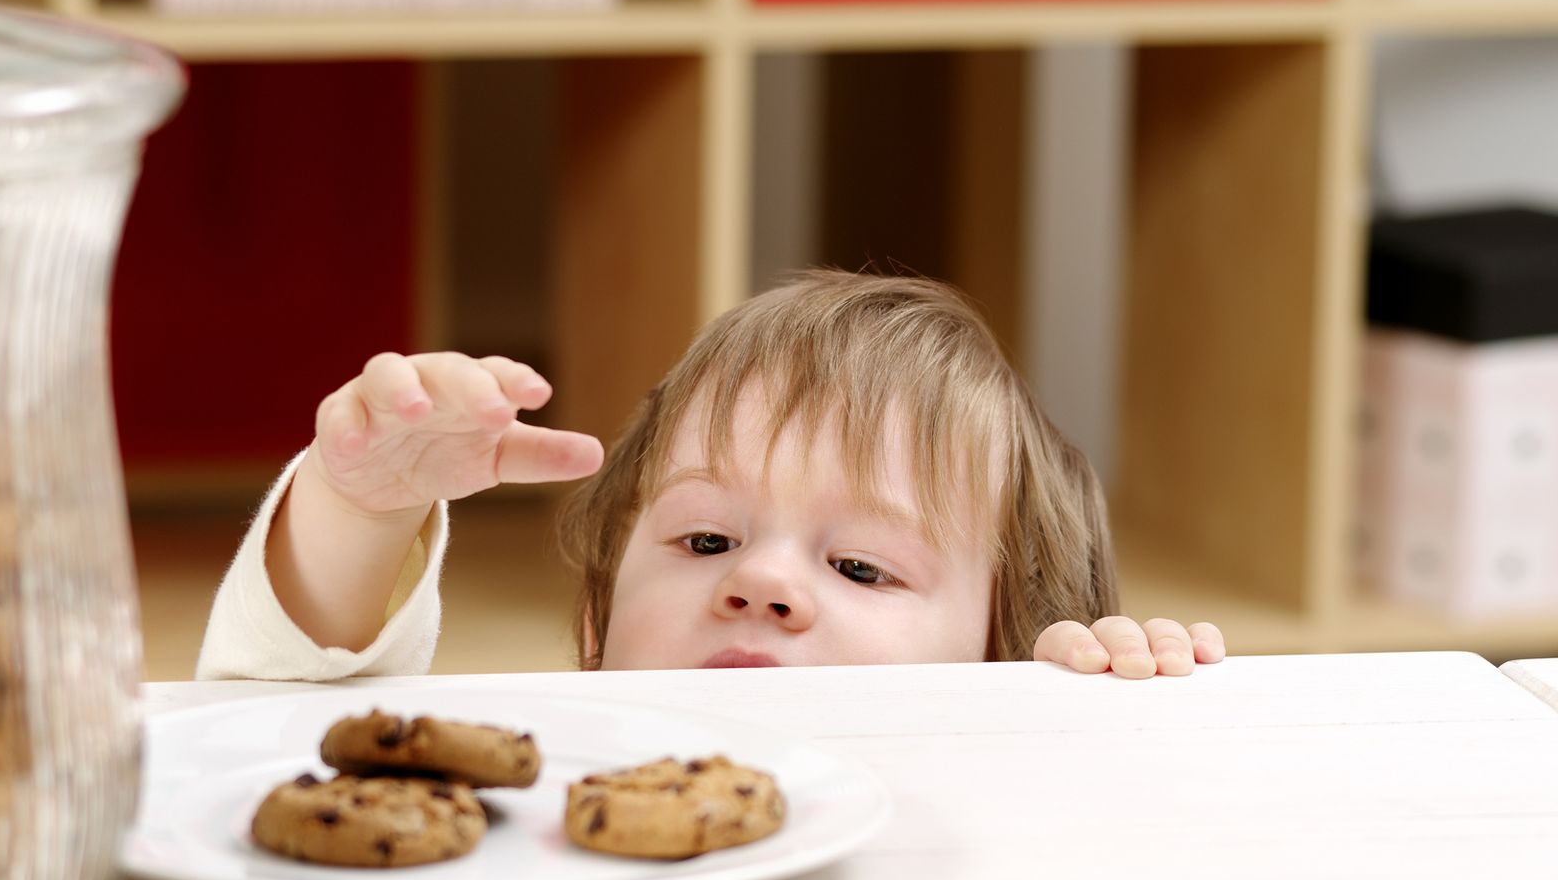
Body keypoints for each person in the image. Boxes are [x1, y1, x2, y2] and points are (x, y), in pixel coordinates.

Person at [196, 270, 1223, 682]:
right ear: (598, 629)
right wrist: (359, 510)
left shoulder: (1009, 789)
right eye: (705, 543)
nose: (763, 583)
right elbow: (276, 743)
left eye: (862, 568)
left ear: (1000, 658)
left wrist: (1095, 715)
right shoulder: (557, 791)